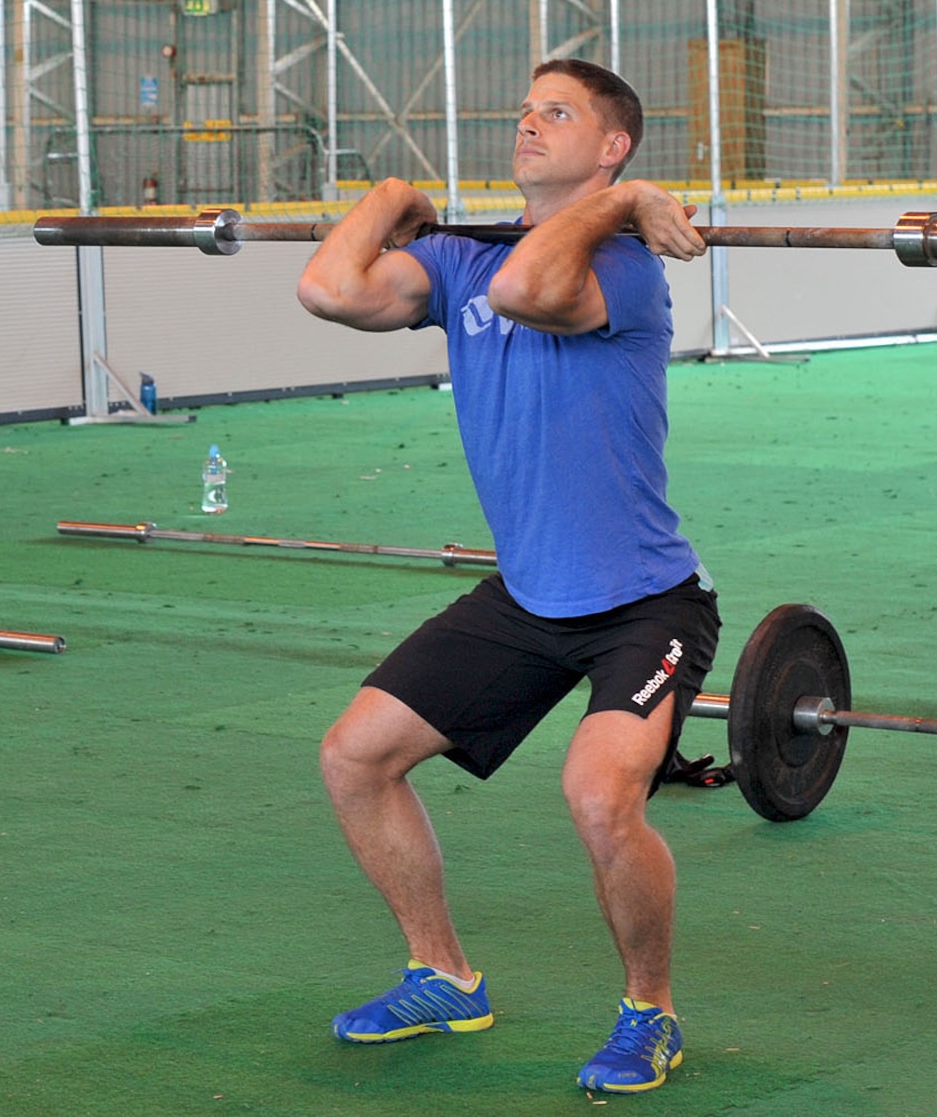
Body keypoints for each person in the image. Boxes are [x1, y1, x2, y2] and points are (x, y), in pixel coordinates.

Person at [296, 59, 719, 1093]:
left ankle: (648, 1011)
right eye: (523, 107)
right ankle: (442, 975)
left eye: (557, 112)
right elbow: (327, 287)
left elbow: (531, 288)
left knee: (597, 799)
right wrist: (396, 198)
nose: (526, 123)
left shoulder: (623, 266)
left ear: (612, 147)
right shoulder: (453, 258)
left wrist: (618, 208)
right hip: (526, 597)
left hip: (644, 604)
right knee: (355, 757)